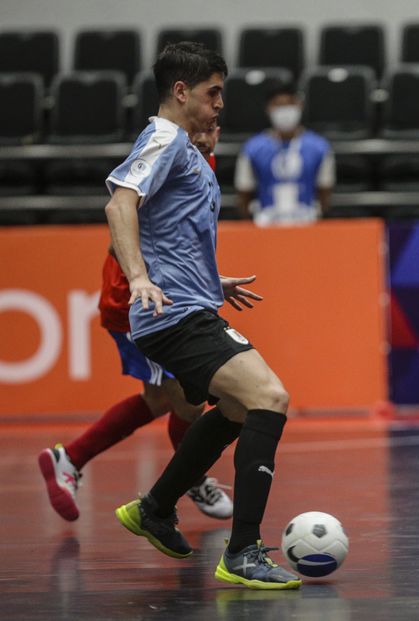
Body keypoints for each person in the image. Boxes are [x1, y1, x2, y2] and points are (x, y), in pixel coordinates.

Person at [105, 42, 299, 589]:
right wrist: (139, 277)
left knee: (239, 411)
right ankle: (242, 552)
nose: (220, 105)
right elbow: (120, 203)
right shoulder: (164, 137)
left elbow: (171, 231)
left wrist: (214, 282)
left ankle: (156, 507)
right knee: (270, 399)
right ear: (182, 91)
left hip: (192, 306)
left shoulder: (185, 149)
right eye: (213, 93)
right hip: (174, 316)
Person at [38, 128, 232, 523]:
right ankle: (188, 477)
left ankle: (70, 458)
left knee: (164, 398)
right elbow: (119, 236)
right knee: (187, 399)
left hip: (171, 297)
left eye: (216, 125)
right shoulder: (166, 154)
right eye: (203, 128)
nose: (211, 134)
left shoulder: (203, 161)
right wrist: (146, 280)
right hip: (138, 302)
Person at [234, 81, 335, 226]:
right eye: (278, 105)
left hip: (308, 223)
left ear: (300, 105)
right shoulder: (252, 148)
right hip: (265, 224)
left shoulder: (319, 147)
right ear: (268, 109)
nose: (285, 111)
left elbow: (325, 193)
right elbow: (244, 194)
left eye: (289, 104)